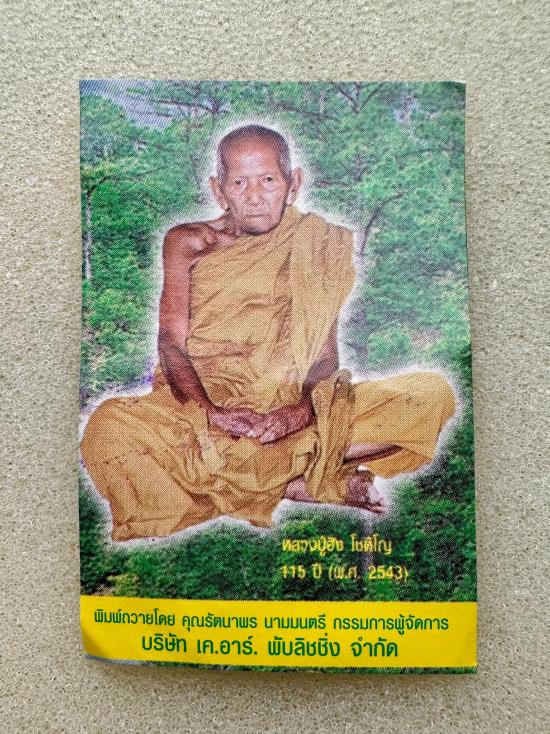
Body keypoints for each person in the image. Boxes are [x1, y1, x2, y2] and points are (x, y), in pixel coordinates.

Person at [80, 124, 457, 541]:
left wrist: (296, 414)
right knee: (107, 429)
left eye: (268, 180)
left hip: (288, 406)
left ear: (293, 184)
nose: (255, 195)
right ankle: (296, 483)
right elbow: (171, 342)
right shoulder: (188, 242)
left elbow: (324, 357)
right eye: (239, 182)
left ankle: (247, 479)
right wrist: (210, 412)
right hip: (201, 406)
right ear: (218, 189)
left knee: (430, 395)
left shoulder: (317, 244)